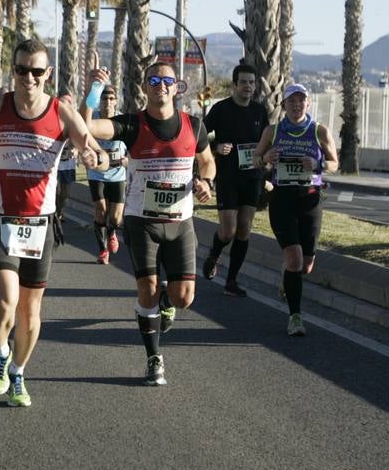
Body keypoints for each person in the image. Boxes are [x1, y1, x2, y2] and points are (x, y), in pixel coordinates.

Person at [0, 38, 100, 408]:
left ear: (48, 74)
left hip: (40, 224)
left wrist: (94, 157)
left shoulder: (61, 113)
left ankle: (19, 374)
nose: (29, 77)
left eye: (36, 71)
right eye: (22, 70)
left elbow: (96, 149)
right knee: (7, 301)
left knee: (29, 312)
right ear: (13, 70)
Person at [82, 62, 216, 386]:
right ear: (145, 87)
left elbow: (208, 160)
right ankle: (154, 357)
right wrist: (94, 92)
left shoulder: (193, 126)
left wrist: (206, 182)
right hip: (142, 221)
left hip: (181, 222)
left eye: (167, 81)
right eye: (154, 80)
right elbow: (85, 130)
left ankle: (168, 304)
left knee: (184, 298)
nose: (161, 86)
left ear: (177, 87)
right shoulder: (131, 124)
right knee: (148, 290)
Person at [256, 82, 338, 337]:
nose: (296, 105)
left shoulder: (319, 131)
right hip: (282, 199)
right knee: (294, 258)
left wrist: (318, 162)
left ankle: (288, 277)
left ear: (308, 104)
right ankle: (295, 317)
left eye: (301, 100)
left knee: (306, 265)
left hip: (310, 199)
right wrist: (265, 158)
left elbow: (335, 163)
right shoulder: (273, 130)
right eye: (291, 101)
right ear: (284, 105)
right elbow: (255, 159)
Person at [201, 63, 271, 296]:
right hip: (228, 177)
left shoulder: (260, 112)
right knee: (229, 230)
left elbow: (267, 142)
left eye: (252, 82)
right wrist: (215, 147)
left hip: (252, 177)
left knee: (244, 229)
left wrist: (266, 165)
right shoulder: (221, 109)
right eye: (243, 82)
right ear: (234, 85)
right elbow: (200, 137)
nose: (248, 87)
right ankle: (214, 253)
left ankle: (231, 281)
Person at [81, 84, 127, 265]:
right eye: (104, 98)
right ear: (99, 102)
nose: (107, 102)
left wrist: (127, 161)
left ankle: (112, 232)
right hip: (97, 173)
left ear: (116, 101)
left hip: (118, 173)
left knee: (116, 218)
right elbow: (82, 129)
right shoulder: (92, 120)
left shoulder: (123, 120)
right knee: (100, 211)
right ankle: (102, 251)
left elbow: (133, 150)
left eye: (111, 98)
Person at [53, 93, 79, 225]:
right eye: (63, 102)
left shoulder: (75, 121)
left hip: (68, 163)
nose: (65, 105)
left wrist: (76, 149)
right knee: (55, 190)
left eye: (69, 102)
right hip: (54, 164)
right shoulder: (52, 120)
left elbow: (81, 138)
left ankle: (59, 211)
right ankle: (54, 214)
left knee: (65, 193)